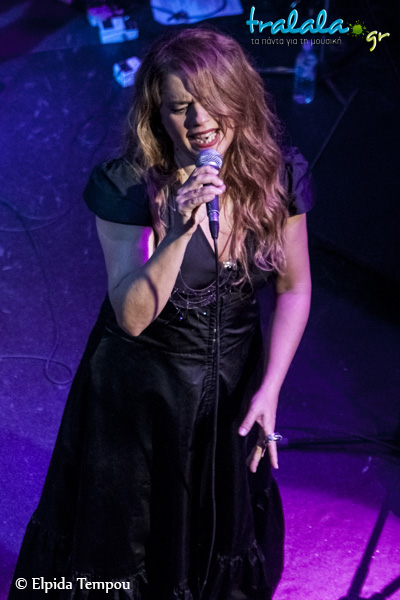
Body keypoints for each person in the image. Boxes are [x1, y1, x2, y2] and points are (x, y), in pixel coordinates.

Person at [9, 27, 313, 600]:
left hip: (228, 391)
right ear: (159, 115)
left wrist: (270, 388)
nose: (199, 119)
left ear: (239, 96)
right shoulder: (128, 187)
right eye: (179, 107)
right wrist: (176, 233)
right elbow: (130, 317)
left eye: (210, 99)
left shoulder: (278, 176)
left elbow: (294, 288)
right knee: (127, 545)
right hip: (141, 396)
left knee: (214, 534)